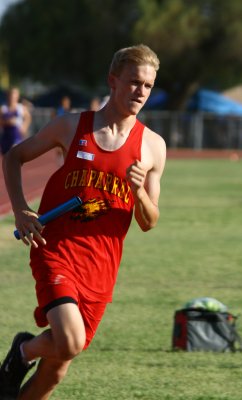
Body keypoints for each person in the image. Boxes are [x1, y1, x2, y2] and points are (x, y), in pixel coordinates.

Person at [0, 43, 166, 400]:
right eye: (134, 82)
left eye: (148, 86)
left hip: (102, 267)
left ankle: (26, 361)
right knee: (70, 340)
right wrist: (20, 208)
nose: (141, 92)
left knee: (56, 370)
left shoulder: (153, 146)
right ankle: (22, 352)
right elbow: (15, 157)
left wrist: (137, 193)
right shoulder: (73, 126)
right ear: (113, 80)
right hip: (55, 250)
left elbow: (150, 221)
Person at [0, 87, 32, 155]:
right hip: (6, 136)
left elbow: (28, 118)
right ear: (8, 96)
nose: (12, 97)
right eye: (11, 95)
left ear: (17, 97)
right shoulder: (3, 109)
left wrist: (24, 127)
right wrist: (8, 122)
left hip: (16, 135)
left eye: (14, 95)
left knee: (14, 153)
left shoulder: (21, 108)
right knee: (6, 159)